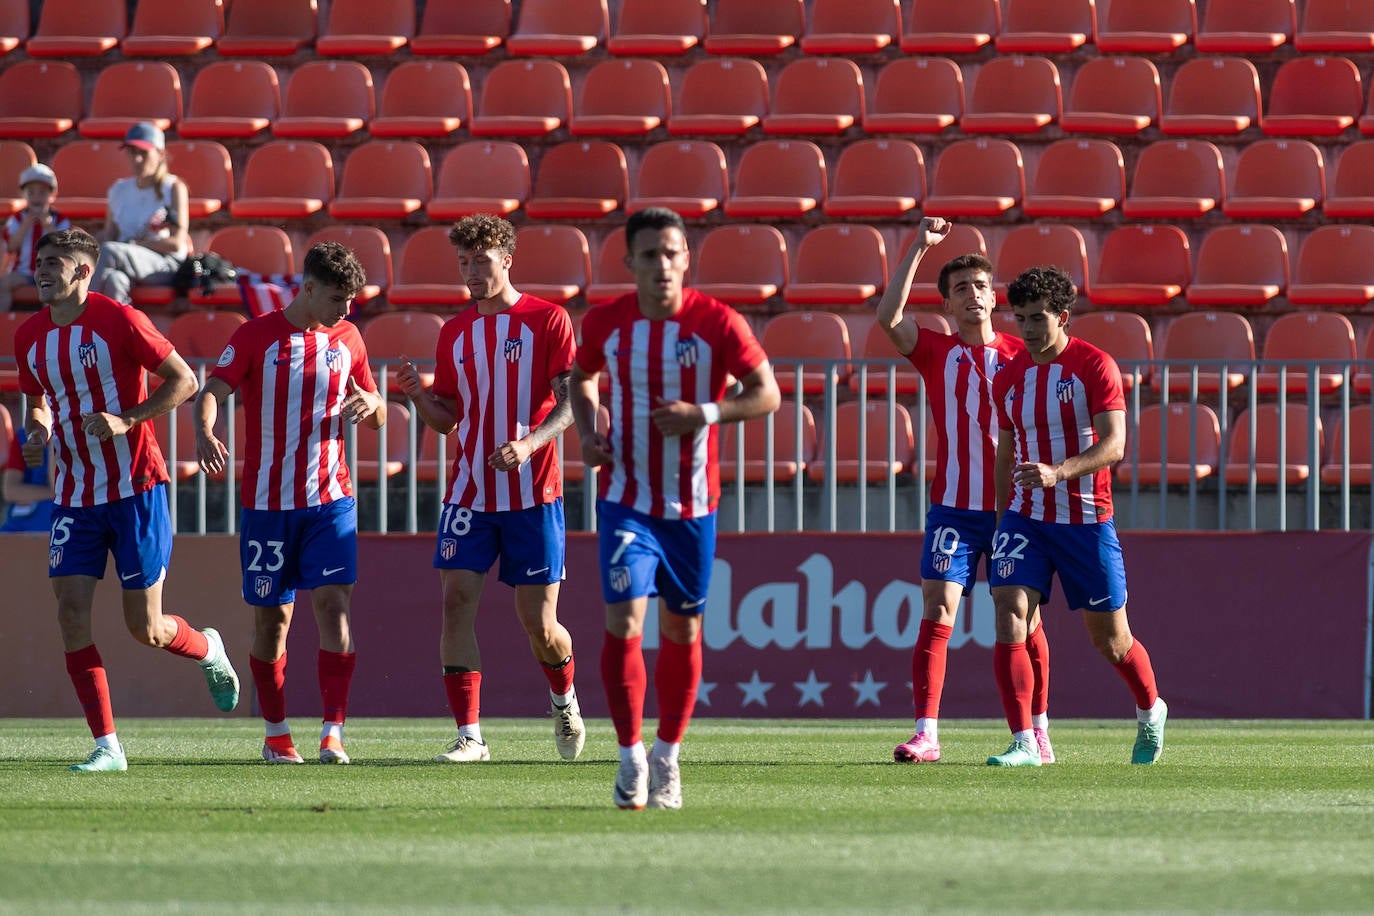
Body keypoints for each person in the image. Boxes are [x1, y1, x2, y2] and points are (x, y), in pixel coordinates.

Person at [571, 207, 781, 810]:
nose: (661, 265)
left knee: (682, 628)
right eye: (649, 255)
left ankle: (668, 754)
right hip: (625, 502)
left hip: (692, 506)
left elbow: (766, 394)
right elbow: (581, 379)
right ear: (629, 263)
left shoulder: (717, 322)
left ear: (686, 258)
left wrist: (704, 415)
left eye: (671, 253)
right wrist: (588, 431)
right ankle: (630, 755)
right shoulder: (609, 323)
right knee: (625, 623)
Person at [13, 228, 240, 772]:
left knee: (147, 629)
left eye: (54, 264)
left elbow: (184, 379)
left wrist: (127, 419)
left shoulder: (120, 319)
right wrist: (39, 431)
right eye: (39, 262)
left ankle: (207, 647)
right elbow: (37, 400)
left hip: (136, 487)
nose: (42, 271)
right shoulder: (29, 335)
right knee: (70, 614)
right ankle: (107, 746)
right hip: (74, 496)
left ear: (83, 273)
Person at [395, 213, 586, 765]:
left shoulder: (547, 320)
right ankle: (470, 736)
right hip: (469, 493)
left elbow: (571, 403)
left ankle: (564, 697)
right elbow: (448, 418)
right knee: (455, 604)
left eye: (481, 261)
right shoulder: (454, 331)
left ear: (507, 259)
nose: (471, 272)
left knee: (540, 625)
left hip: (534, 494)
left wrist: (528, 445)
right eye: (463, 262)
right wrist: (417, 396)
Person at [194, 242, 385, 766]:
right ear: (308, 288)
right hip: (268, 504)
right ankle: (277, 734)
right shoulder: (257, 335)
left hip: (330, 500)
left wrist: (373, 404)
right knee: (273, 622)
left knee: (334, 608)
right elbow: (214, 388)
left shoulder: (349, 339)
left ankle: (333, 733)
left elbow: (377, 409)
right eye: (337, 298)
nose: (345, 310)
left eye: (351, 300)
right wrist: (204, 428)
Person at [876, 217, 1055, 766]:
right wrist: (918, 247)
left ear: (994, 297)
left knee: (1025, 620)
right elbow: (889, 318)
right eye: (960, 289)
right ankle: (927, 732)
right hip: (953, 508)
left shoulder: (1021, 353)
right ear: (948, 306)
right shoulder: (934, 351)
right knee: (938, 607)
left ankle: (1038, 731)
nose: (972, 295)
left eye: (980, 286)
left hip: (1015, 511)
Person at [987, 266, 1167, 767]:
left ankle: (1151, 710)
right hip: (1025, 520)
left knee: (1111, 641)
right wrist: (1004, 520)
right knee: (1009, 614)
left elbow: (1115, 445)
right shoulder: (1008, 377)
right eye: (1020, 318)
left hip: (1086, 520)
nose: (1027, 329)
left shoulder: (1094, 366)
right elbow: (1006, 454)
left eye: (1037, 318)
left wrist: (1058, 472)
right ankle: (1025, 741)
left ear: (1062, 317)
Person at [91, 122, 190, 305]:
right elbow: (110, 234)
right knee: (115, 280)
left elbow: (176, 243)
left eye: (143, 153)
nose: (136, 159)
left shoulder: (173, 187)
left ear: (160, 154)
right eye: (132, 152)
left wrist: (136, 244)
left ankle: (76, 321)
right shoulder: (118, 189)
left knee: (109, 252)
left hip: (164, 264)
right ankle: (116, 332)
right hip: (125, 259)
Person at [1, 163, 71, 312]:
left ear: (52, 195)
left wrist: (48, 227)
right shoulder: (17, 219)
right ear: (23, 194)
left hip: (51, 272)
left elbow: (64, 250)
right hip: (23, 272)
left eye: (42, 192)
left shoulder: (60, 220)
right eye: (31, 192)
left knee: (55, 291)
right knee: (2, 284)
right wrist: (25, 226)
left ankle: (51, 326)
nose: (36, 197)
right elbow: (11, 247)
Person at [1, 406, 55, 532]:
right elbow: (10, 491)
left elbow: (57, 486)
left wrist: (55, 438)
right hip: (23, 520)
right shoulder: (22, 437)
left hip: (59, 517)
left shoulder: (70, 437)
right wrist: (50, 494)